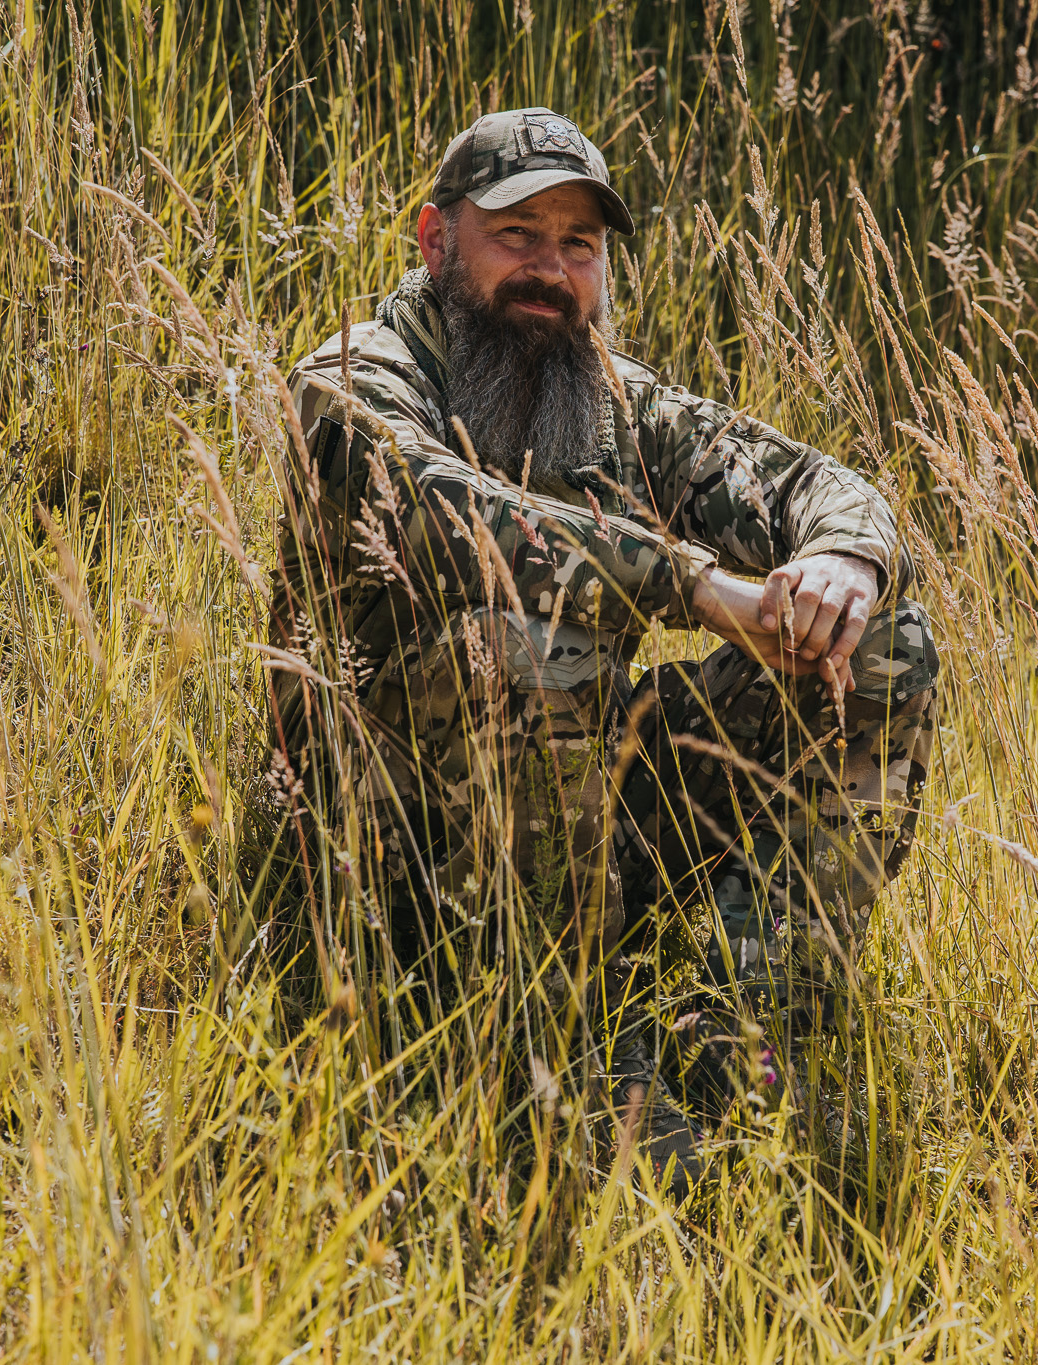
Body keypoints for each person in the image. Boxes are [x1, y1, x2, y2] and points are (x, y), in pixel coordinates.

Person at [270, 108, 938, 1192]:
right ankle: (564, 1041)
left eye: (576, 245)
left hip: (584, 806)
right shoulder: (354, 377)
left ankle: (739, 1022)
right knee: (520, 646)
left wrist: (841, 566)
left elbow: (823, 482)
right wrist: (694, 586)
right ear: (435, 240)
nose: (549, 270)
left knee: (878, 648)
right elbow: (452, 516)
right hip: (384, 835)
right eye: (517, 234)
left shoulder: (614, 402)